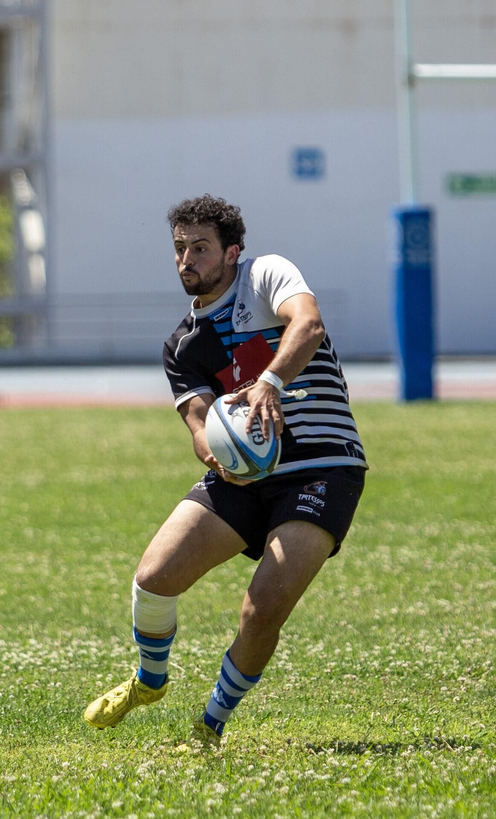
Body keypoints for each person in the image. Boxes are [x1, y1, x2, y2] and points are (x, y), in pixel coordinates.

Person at [83, 194, 366, 747]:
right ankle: (149, 680)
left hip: (322, 468)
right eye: (180, 249)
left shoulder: (265, 276)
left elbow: (307, 326)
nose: (188, 259)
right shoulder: (183, 345)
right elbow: (198, 426)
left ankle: (209, 725)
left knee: (260, 612)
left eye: (201, 248)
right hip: (246, 474)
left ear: (232, 251)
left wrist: (270, 383)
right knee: (153, 578)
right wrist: (216, 456)